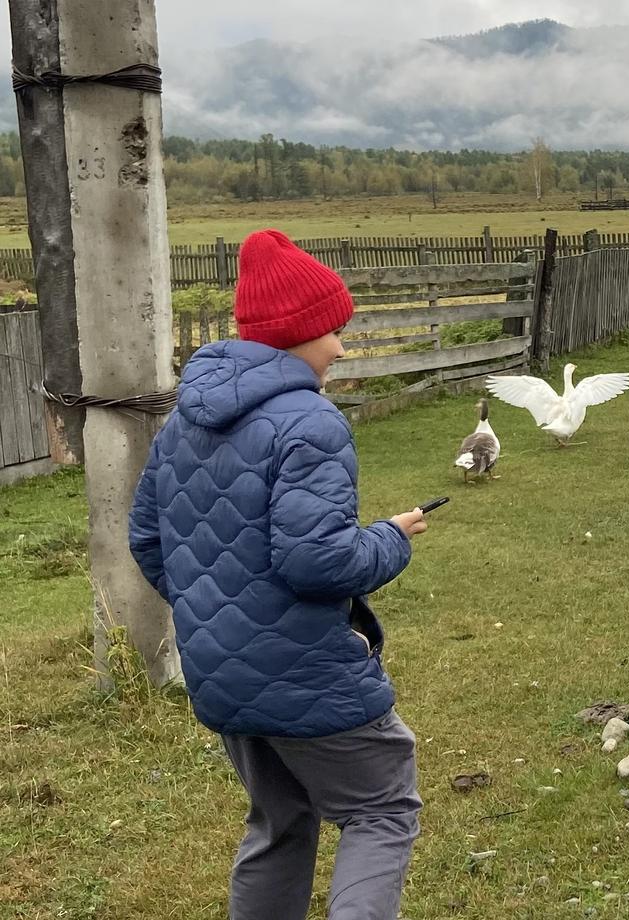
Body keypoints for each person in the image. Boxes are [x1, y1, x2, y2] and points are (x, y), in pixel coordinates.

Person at [128, 229, 427, 920]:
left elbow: (148, 537)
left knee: (280, 819)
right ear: (298, 333)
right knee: (382, 808)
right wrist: (390, 538)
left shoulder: (183, 422)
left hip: (221, 672)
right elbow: (317, 560)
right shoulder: (310, 422)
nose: (342, 348)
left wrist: (217, 611)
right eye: (333, 331)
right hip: (303, 672)